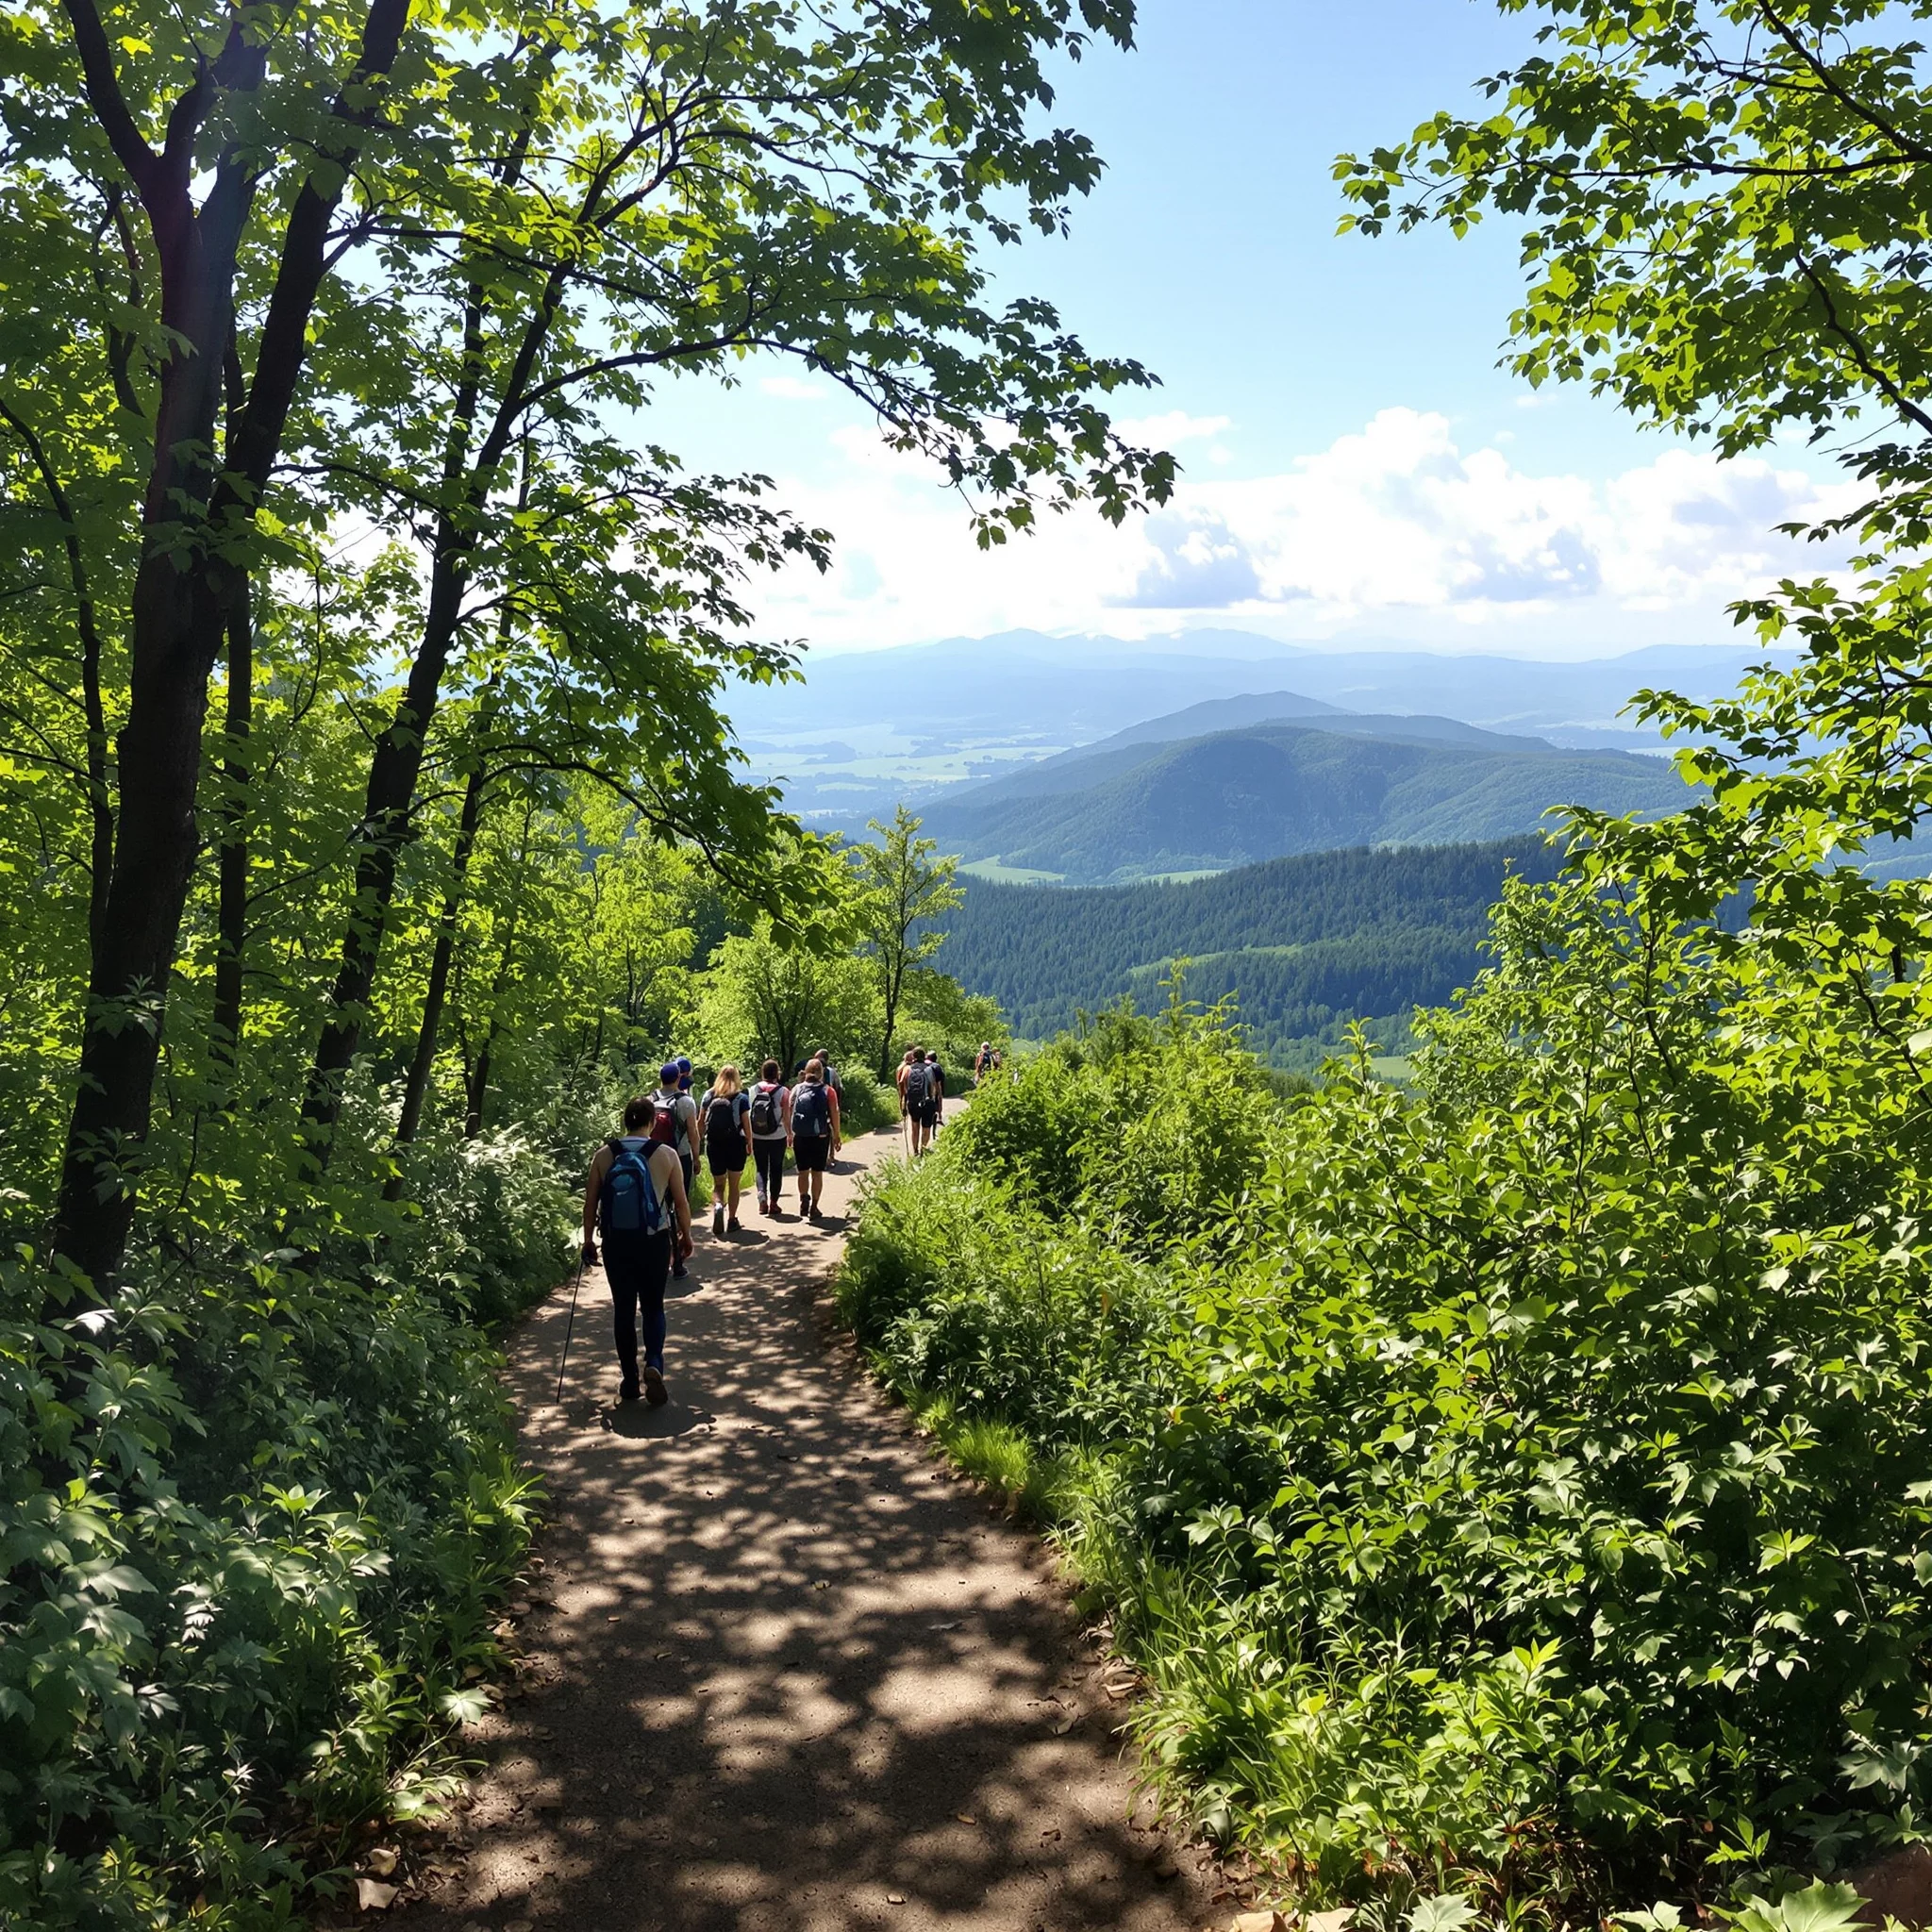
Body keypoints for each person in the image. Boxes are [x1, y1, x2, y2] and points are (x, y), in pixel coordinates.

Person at [580, 1096, 692, 1407]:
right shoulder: (666, 1154)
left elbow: (590, 1204)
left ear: (624, 1121)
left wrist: (588, 1240)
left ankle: (630, 1380)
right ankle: (654, 1362)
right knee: (654, 1306)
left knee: (623, 1310)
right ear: (652, 1122)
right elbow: (681, 1203)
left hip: (616, 1243)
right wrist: (686, 1236)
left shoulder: (604, 1155)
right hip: (654, 1242)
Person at [647, 1062, 700, 1276]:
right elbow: (693, 1133)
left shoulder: (649, 1100)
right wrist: (696, 1158)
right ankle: (677, 1260)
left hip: (655, 1159)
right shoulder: (686, 1101)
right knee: (680, 1205)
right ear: (679, 1078)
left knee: (658, 1204)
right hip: (680, 1158)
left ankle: (658, 1256)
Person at [698, 1063, 751, 1236]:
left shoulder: (708, 1095)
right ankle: (732, 1220)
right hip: (736, 1144)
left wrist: (699, 1142)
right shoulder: (741, 1098)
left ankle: (719, 1206)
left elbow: (701, 1121)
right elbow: (746, 1123)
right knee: (734, 1185)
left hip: (715, 1144)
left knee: (719, 1184)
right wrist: (750, 1142)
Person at [789, 1057, 841, 1218]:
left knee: (803, 1171)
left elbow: (790, 1110)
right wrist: (837, 1135)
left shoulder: (797, 1089)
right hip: (821, 1136)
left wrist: (790, 1133)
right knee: (817, 1173)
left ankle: (804, 1199)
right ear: (821, 1073)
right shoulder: (828, 1091)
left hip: (800, 1136)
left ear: (806, 1072)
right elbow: (835, 1113)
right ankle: (814, 1207)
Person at [748, 1058, 792, 1216]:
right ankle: (773, 1204)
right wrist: (789, 1134)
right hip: (777, 1136)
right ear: (777, 1074)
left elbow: (748, 1114)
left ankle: (762, 1197)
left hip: (757, 1135)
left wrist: (748, 1137)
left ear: (762, 1073)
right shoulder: (784, 1092)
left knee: (761, 1168)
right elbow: (786, 1117)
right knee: (776, 1169)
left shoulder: (752, 1090)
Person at [901, 1046, 936, 1158]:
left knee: (915, 1128)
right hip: (927, 1102)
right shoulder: (929, 1069)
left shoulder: (908, 1069)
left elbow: (905, 1087)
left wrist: (904, 1104)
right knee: (926, 1128)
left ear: (913, 1057)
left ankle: (915, 1152)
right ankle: (923, 1152)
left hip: (913, 1102)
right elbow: (932, 1088)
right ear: (924, 1056)